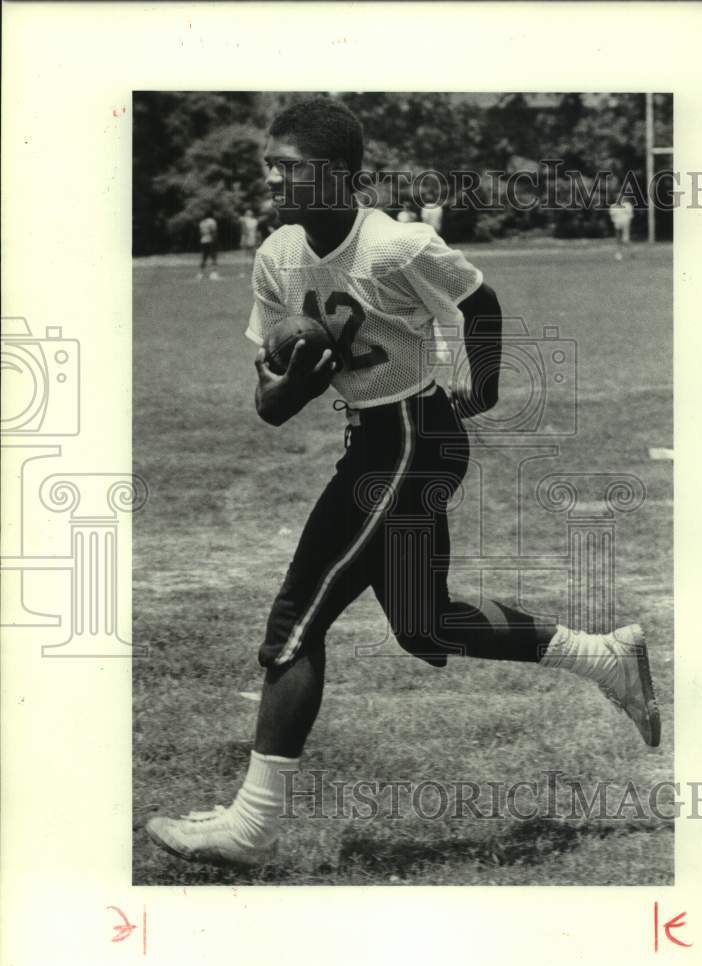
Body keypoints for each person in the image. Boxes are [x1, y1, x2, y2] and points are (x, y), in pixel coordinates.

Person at [147, 97, 660, 868]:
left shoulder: (394, 245)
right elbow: (270, 406)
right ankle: (604, 657)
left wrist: (482, 386)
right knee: (425, 622)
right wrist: (299, 375)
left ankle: (249, 828)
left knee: (294, 625)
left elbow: (479, 300)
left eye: (292, 166)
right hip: (378, 442)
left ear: (340, 175)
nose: (275, 179)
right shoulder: (278, 257)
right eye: (271, 166)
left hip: (415, 437)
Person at [197, 213, 220, 280]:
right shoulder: (211, 221)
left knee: (204, 258)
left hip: (203, 241)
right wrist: (215, 240)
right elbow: (213, 231)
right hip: (211, 241)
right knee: (213, 257)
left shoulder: (201, 223)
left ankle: (200, 273)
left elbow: (200, 233)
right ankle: (214, 273)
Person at [238, 207, 260, 275]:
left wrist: (257, 239)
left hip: (251, 238)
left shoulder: (253, 221)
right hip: (248, 238)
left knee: (251, 255)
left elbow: (255, 231)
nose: (249, 214)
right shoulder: (245, 220)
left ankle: (251, 271)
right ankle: (243, 271)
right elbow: (244, 230)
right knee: (245, 255)